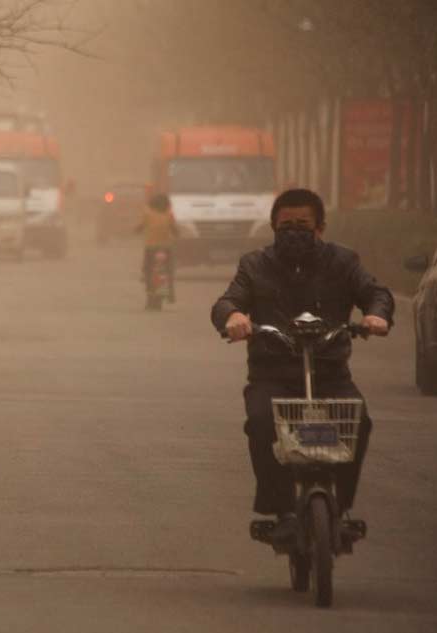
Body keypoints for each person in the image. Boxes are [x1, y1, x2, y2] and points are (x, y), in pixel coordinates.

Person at [211, 188, 393, 541]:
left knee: (359, 420)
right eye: (286, 225)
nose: (294, 231)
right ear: (273, 227)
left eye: (303, 224)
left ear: (320, 228)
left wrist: (375, 315)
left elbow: (376, 293)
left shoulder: (344, 262)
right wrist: (233, 316)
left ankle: (339, 507)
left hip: (330, 373)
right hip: (272, 375)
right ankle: (280, 510)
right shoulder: (255, 264)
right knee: (262, 422)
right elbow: (228, 301)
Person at [136, 192, 179, 305]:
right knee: (168, 270)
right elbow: (174, 230)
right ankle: (170, 293)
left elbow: (140, 227)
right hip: (166, 248)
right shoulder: (169, 214)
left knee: (148, 270)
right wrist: (177, 235)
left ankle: (150, 292)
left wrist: (136, 231)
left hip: (151, 248)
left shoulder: (148, 214)